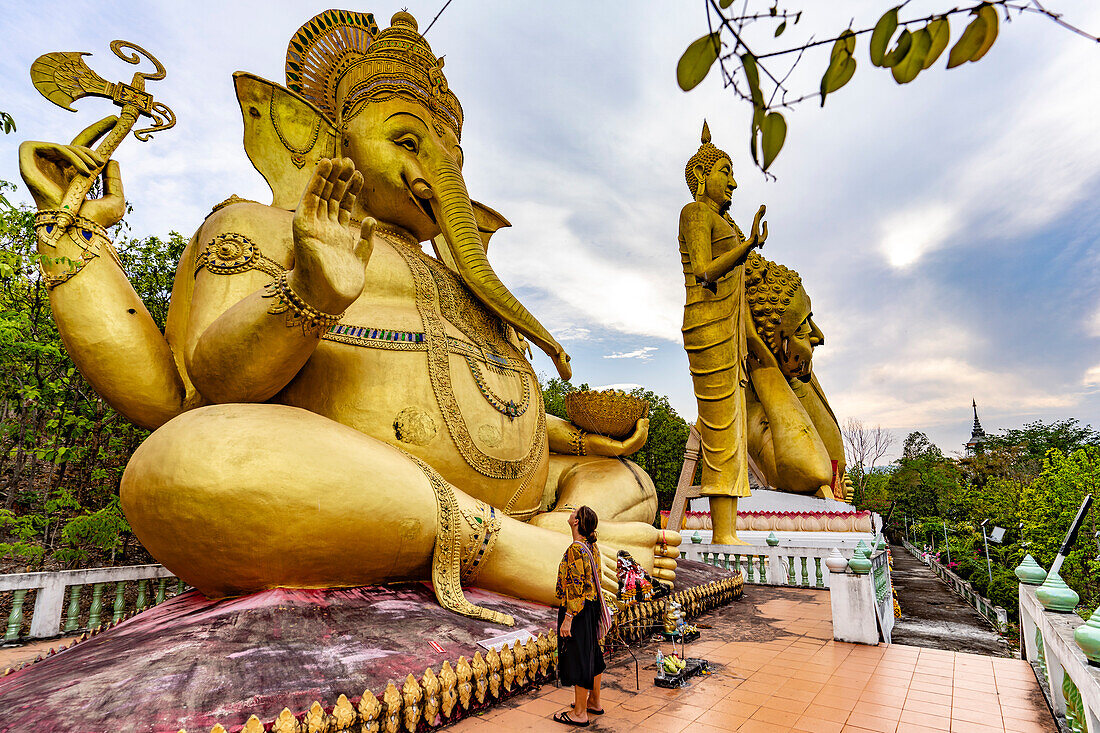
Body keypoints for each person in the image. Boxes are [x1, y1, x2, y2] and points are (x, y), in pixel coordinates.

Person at [554, 505, 608, 727]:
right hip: (591, 607)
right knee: (592, 653)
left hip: (578, 610)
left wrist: (569, 617)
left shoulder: (576, 549)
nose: (570, 513)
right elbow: (598, 579)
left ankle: (579, 712)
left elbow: (576, 586)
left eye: (573, 512)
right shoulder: (591, 547)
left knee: (578, 657)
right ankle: (594, 701)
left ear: (576, 522)